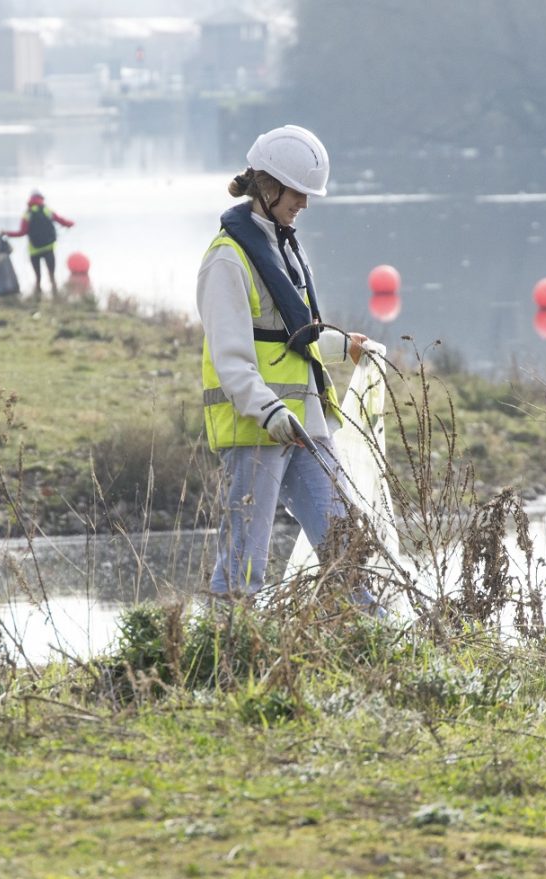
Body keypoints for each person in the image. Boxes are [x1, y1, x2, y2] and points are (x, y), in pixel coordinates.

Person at [197, 124, 370, 599]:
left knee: (346, 546)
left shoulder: (286, 248)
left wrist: (342, 347)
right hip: (257, 428)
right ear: (269, 186)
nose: (305, 204)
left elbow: (292, 338)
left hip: (304, 424)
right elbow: (231, 359)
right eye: (299, 192)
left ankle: (378, 647)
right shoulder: (227, 260)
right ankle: (220, 662)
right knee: (243, 566)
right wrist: (270, 412)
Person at [0, 191, 74, 296]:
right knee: (52, 275)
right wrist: (70, 224)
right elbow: (61, 221)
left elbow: (22, 233)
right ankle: (56, 297)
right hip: (49, 248)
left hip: (34, 250)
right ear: (41, 199)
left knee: (38, 277)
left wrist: (6, 233)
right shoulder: (46, 210)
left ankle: (37, 297)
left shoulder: (28, 214)